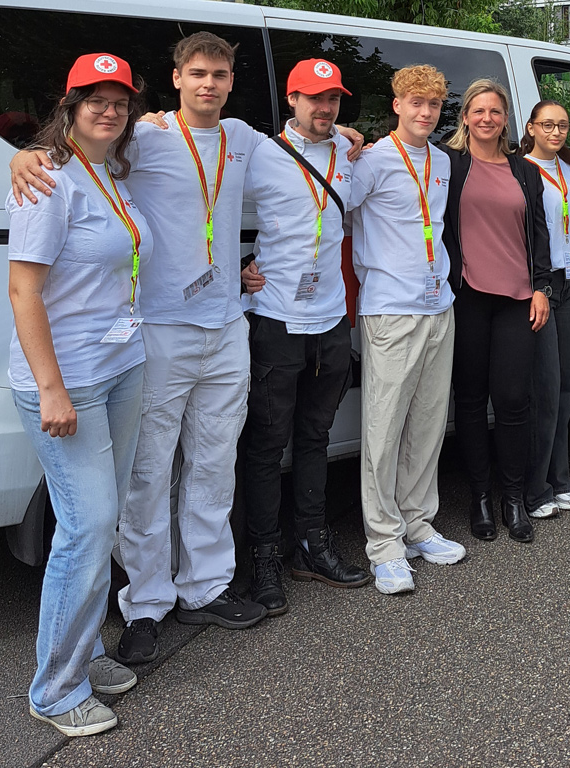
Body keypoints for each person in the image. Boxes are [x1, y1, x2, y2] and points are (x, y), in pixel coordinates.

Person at [11, 32, 282, 664]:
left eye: (219, 74)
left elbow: (307, 161)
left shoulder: (243, 139)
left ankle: (206, 585)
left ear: (231, 81)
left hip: (227, 327)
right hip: (156, 329)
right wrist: (21, 156)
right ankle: (148, 601)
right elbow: (75, 149)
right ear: (178, 77)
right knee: (149, 474)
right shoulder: (146, 135)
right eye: (197, 73)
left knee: (214, 463)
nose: (209, 84)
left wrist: (351, 138)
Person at [8, 53, 150, 737]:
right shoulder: (47, 178)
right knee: (87, 527)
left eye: (119, 100)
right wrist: (52, 389)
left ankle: (86, 650)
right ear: (68, 105)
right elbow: (23, 290)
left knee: (99, 521)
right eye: (94, 98)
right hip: (68, 383)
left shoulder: (110, 172)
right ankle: (56, 690)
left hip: (122, 365)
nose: (109, 109)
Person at [240, 58, 371, 614]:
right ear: (291, 99)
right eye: (314, 98)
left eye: (334, 100)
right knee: (268, 445)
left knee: (315, 438)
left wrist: (351, 137)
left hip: (331, 320)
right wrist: (240, 264)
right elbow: (201, 207)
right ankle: (263, 555)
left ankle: (311, 545)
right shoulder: (257, 153)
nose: (325, 109)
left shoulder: (348, 152)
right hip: (276, 320)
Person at [347, 64, 466, 595]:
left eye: (434, 105)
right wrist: (344, 139)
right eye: (415, 102)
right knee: (384, 427)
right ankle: (384, 543)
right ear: (396, 105)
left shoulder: (440, 160)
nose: (425, 112)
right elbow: (331, 210)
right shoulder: (369, 161)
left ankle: (418, 525)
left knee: (428, 423)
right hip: (391, 310)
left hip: (439, 304)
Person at [440, 79, 553, 544]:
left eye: (495, 112)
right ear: (465, 117)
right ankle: (480, 498)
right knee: (468, 402)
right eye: (478, 111)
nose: (487, 119)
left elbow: (540, 234)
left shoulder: (524, 171)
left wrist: (543, 286)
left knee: (512, 402)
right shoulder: (449, 164)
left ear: (506, 119)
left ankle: (513, 497)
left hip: (517, 298)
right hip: (466, 295)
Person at [519, 100, 570, 520]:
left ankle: (561, 480)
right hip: (542, 286)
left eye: (563, 126)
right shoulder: (521, 171)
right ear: (531, 128)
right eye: (547, 125)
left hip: (569, 284)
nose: (556, 132)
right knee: (546, 390)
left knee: (568, 386)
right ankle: (536, 490)